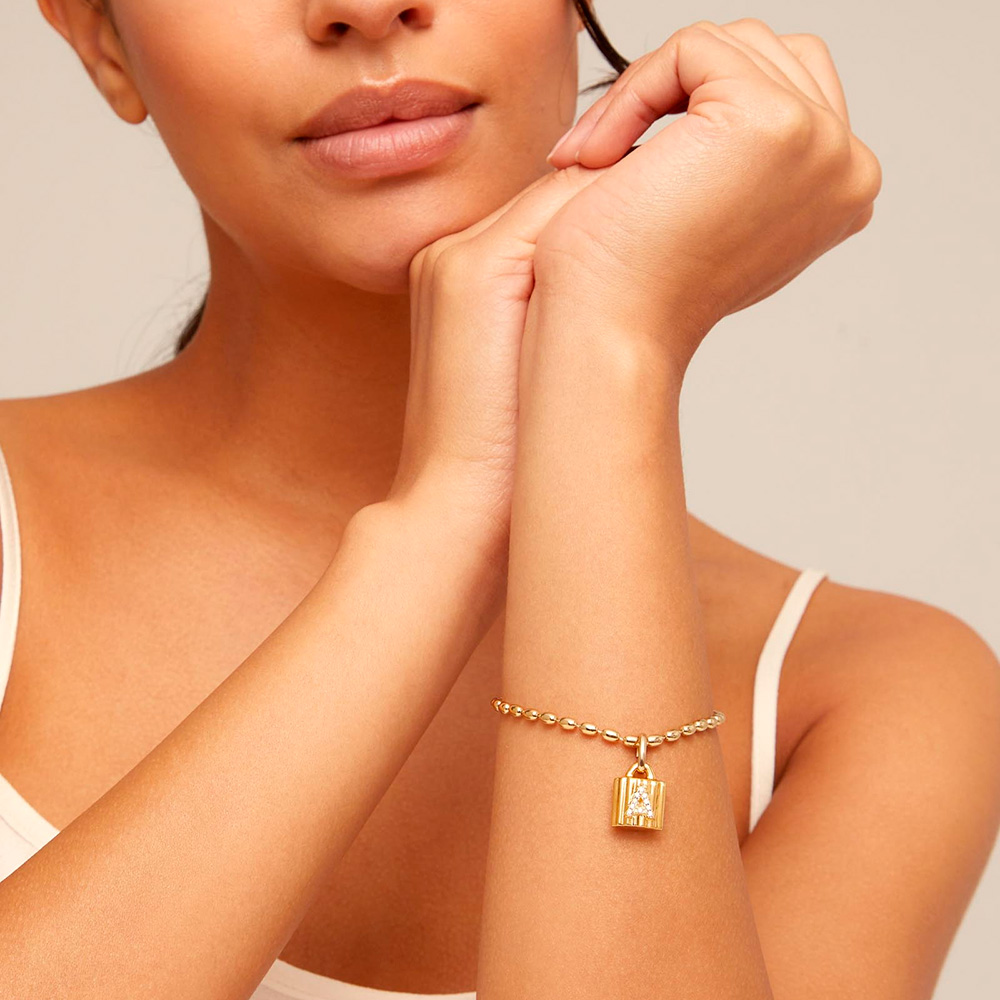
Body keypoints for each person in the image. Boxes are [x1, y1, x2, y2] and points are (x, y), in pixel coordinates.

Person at [0, 1, 997, 998]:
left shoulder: (865, 697)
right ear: (100, 38)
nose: (363, 6)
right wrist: (439, 530)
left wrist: (609, 343)